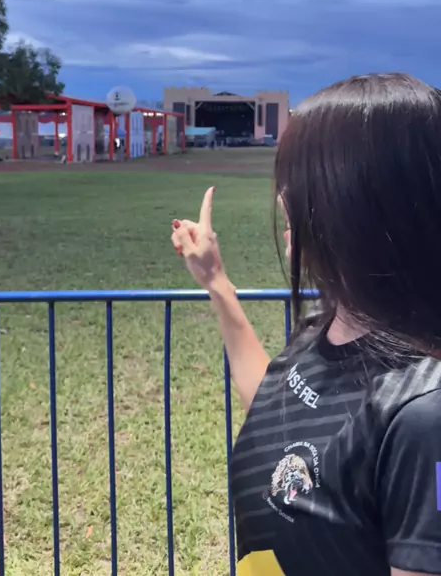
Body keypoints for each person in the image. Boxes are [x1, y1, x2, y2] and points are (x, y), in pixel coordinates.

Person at [171, 72, 441, 576]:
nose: (283, 198)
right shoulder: (327, 324)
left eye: (305, 177)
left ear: (365, 198)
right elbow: (279, 406)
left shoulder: (426, 416)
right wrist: (216, 282)